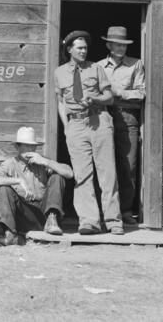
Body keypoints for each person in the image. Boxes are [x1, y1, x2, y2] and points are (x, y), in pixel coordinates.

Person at [54, 30, 124, 235]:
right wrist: (66, 126)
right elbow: (60, 101)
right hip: (75, 125)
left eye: (85, 48)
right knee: (82, 175)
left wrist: (95, 100)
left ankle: (113, 221)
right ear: (69, 49)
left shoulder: (97, 68)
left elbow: (109, 97)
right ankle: (89, 221)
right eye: (79, 48)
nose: (84, 51)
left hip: (99, 120)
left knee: (107, 172)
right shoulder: (59, 72)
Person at [0, 127, 74, 245]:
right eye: (26, 146)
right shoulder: (10, 164)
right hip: (24, 215)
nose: (30, 150)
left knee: (57, 177)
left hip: (45, 215)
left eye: (33, 146)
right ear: (17, 147)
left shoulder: (42, 161)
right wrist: (17, 181)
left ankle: (52, 220)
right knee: (4, 188)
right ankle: (10, 234)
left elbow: (69, 173)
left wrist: (46, 162)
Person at [97, 27, 145, 225]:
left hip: (128, 120)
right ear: (108, 45)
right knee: (104, 165)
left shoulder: (136, 64)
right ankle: (105, 211)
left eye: (124, 45)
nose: (121, 48)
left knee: (128, 166)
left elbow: (141, 94)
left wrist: (117, 93)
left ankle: (125, 211)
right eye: (117, 44)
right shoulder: (98, 66)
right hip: (103, 118)